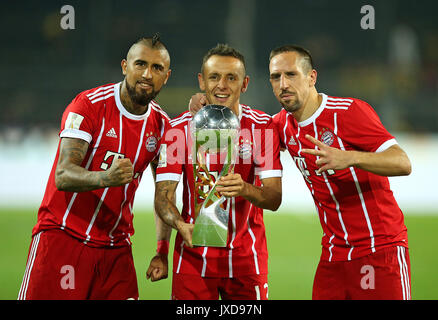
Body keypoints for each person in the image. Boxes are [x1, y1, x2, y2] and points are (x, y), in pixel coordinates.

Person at [18, 34, 191, 300]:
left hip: (115, 250)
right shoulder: (89, 105)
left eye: (157, 68)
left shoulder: (163, 127)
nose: (147, 74)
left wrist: (162, 250)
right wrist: (105, 177)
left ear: (166, 76)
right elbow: (63, 175)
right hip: (63, 238)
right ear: (125, 66)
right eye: (140, 64)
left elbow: (164, 196)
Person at [268, 45, 412, 299]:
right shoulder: (282, 124)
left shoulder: (349, 112)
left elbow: (402, 162)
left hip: (380, 249)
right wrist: (206, 106)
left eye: (291, 75)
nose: (283, 84)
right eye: (275, 77)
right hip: (334, 256)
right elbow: (246, 132)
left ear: (312, 77)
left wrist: (350, 157)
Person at [149, 44, 283, 300]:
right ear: (201, 81)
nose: (222, 85)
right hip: (192, 261)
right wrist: (180, 226)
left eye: (231, 78)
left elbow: (274, 198)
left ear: (244, 84)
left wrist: (245, 188)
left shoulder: (262, 128)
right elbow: (163, 197)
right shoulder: (178, 131)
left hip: (247, 263)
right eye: (214, 77)